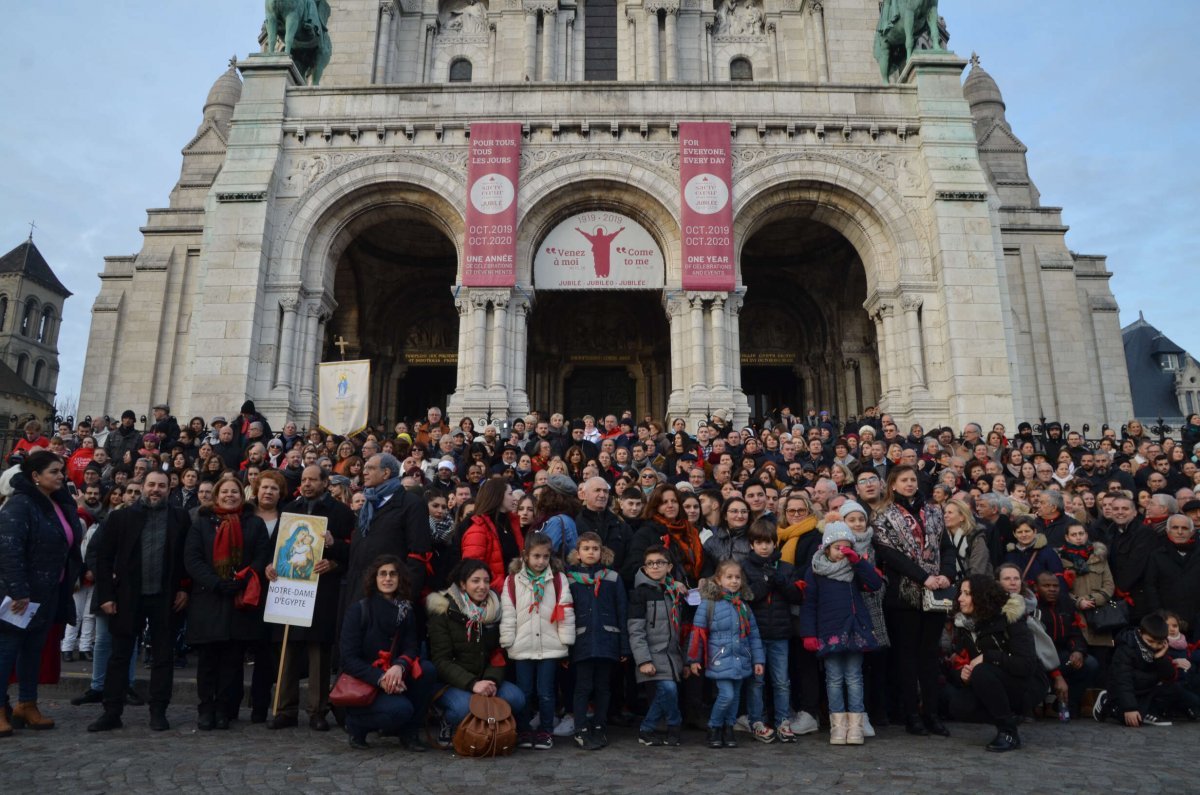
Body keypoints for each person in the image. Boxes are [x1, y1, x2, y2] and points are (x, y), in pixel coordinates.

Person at [87, 470, 191, 733]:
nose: (156, 489)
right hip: (126, 597)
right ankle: (112, 711)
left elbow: (186, 558)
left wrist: (184, 589)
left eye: (162, 486)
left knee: (163, 657)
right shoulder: (120, 517)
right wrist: (107, 595)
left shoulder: (180, 517)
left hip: (165, 597)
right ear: (142, 487)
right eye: (152, 485)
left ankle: (158, 710)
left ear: (170, 489)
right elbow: (103, 558)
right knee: (119, 656)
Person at [0, 451, 84, 735]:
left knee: (33, 651)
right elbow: (9, 550)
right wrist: (19, 590)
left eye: (62, 471)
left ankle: (27, 703)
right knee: (7, 651)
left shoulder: (59, 504)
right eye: (54, 472)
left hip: (50, 591)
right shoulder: (20, 505)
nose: (61, 476)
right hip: (20, 594)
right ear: (35, 476)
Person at [267, 465, 355, 731]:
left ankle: (318, 710)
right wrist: (270, 566)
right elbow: (276, 549)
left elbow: (352, 552)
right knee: (288, 648)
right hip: (291, 589)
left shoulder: (341, 513)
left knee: (318, 653)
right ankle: (284, 709)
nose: (306, 484)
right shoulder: (289, 510)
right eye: (304, 480)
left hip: (322, 591)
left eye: (312, 480)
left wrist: (333, 559)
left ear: (325, 483)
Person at [871, 464, 954, 737]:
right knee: (906, 657)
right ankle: (911, 715)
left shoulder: (933, 511)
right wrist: (922, 576)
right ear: (892, 485)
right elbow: (888, 553)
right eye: (903, 480)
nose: (909, 483)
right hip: (903, 593)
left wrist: (946, 575)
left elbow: (946, 547)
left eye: (912, 479)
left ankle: (932, 713)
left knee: (929, 655)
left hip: (935, 594)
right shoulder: (883, 514)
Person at [184, 474, 270, 729]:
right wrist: (215, 582)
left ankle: (223, 708)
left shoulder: (253, 524)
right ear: (216, 495)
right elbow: (193, 558)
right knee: (208, 659)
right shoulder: (201, 523)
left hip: (239, 599)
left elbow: (260, 555)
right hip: (209, 598)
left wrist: (242, 579)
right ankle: (205, 707)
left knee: (232, 661)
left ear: (242, 497)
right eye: (225, 492)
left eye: (234, 492)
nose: (230, 496)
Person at [799, 521, 884, 745]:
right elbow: (809, 604)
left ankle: (856, 725)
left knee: (854, 678)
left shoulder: (855, 568)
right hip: (829, 631)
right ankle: (838, 726)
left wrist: (858, 563)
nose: (842, 553)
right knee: (834, 679)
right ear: (826, 547)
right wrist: (808, 634)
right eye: (838, 548)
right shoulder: (815, 571)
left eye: (847, 548)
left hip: (854, 629)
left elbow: (875, 584)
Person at [339, 555, 436, 750]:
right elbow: (349, 659)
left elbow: (411, 647)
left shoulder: (406, 610)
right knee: (401, 710)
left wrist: (400, 666)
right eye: (382, 574)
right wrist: (381, 678)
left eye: (393, 574)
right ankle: (357, 724)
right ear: (374, 578)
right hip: (366, 680)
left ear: (400, 579)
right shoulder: (359, 610)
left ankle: (410, 733)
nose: (388, 578)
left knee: (427, 670)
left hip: (395, 674)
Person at [426, 558, 525, 747]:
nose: (482, 586)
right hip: (453, 683)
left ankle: (490, 729)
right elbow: (441, 661)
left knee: (516, 698)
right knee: (464, 709)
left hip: (484, 678)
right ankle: (447, 720)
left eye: (486, 581)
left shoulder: (494, 610)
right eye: (475, 581)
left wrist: (491, 681)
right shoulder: (443, 610)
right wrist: (472, 684)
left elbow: (498, 653)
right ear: (463, 584)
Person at [947, 575, 1045, 752]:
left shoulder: (1011, 619)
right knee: (959, 705)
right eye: (960, 593)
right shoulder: (966, 624)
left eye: (967, 594)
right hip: (994, 681)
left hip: (1026, 684)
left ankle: (1008, 731)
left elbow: (1026, 665)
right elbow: (968, 662)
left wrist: (988, 657)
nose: (960, 598)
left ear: (981, 597)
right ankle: (1008, 716)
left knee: (983, 672)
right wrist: (964, 674)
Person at [500, 532, 576, 750]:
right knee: (524, 691)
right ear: (525, 556)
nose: (541, 561)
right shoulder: (513, 580)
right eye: (536, 556)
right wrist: (508, 640)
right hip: (522, 644)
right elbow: (509, 612)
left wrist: (566, 640)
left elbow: (566, 609)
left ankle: (545, 730)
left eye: (545, 556)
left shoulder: (558, 579)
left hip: (550, 644)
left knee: (546, 691)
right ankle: (523, 729)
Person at [342, 454, 432, 621]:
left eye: (370, 468)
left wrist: (403, 598)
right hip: (358, 592)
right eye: (365, 468)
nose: (364, 472)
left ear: (386, 473)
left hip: (389, 596)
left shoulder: (411, 504)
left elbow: (418, 555)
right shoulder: (366, 505)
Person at [687, 559, 765, 749]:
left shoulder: (744, 606)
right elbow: (697, 632)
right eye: (729, 577)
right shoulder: (709, 603)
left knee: (736, 696)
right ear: (719, 579)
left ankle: (728, 728)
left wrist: (758, 660)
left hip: (741, 657)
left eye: (737, 577)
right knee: (726, 695)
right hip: (719, 658)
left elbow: (753, 635)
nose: (734, 581)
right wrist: (693, 659)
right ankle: (714, 726)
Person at [565, 531, 628, 750]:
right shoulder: (570, 578)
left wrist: (624, 645)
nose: (591, 552)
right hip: (581, 641)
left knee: (603, 686)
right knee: (582, 686)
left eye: (595, 548)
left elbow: (622, 610)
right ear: (578, 553)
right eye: (586, 548)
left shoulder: (612, 577)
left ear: (602, 552)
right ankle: (581, 727)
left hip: (607, 639)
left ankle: (600, 725)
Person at [741, 517, 801, 743]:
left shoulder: (785, 567)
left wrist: (781, 582)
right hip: (755, 634)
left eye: (768, 542)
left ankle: (783, 721)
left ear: (775, 543)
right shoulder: (745, 567)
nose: (764, 547)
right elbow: (747, 595)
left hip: (781, 633)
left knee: (781, 680)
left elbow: (796, 596)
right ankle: (757, 720)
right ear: (752, 544)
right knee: (757, 681)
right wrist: (766, 583)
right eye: (759, 542)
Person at [627, 544, 685, 747]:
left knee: (667, 692)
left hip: (672, 655)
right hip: (652, 654)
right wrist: (643, 660)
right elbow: (636, 630)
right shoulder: (640, 593)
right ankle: (668, 725)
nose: (654, 567)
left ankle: (660, 731)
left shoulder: (674, 591)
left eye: (659, 563)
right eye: (650, 563)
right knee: (668, 689)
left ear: (669, 567)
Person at [1093, 613, 1182, 727]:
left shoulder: (1161, 647)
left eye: (1158, 643)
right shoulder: (1126, 648)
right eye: (1150, 641)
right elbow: (1122, 679)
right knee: (1130, 720)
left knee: (1174, 689)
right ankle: (1108, 701)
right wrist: (1130, 708)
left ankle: (1146, 712)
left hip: (1147, 689)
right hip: (1125, 689)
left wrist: (1160, 659)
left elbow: (1169, 677)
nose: (1154, 646)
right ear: (1140, 633)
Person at [1058, 522, 1117, 659]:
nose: (1078, 537)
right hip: (1074, 617)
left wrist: (1093, 599)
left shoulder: (1099, 556)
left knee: (1102, 660)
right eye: (1074, 534)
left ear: (1087, 535)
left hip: (1099, 616)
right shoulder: (1060, 560)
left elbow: (1109, 585)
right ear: (1067, 538)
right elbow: (1059, 589)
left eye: (1081, 534)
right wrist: (1078, 602)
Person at [460, 476, 524, 589]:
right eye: (510, 494)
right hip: (492, 595)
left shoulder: (512, 525)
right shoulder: (478, 530)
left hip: (515, 592)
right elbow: (473, 570)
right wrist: (504, 587)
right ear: (498, 497)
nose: (514, 498)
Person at [1143, 514, 1200, 633]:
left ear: (1192, 532)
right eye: (1175, 528)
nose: (1179, 532)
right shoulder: (1156, 555)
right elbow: (1150, 586)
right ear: (1167, 531)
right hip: (1166, 620)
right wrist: (1160, 614)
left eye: (1184, 528)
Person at [1002, 517, 1065, 592]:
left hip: (1041, 597)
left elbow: (1058, 578)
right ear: (1014, 534)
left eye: (1027, 531)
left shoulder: (1048, 552)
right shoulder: (1010, 554)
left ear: (1034, 531)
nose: (1024, 535)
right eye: (1019, 532)